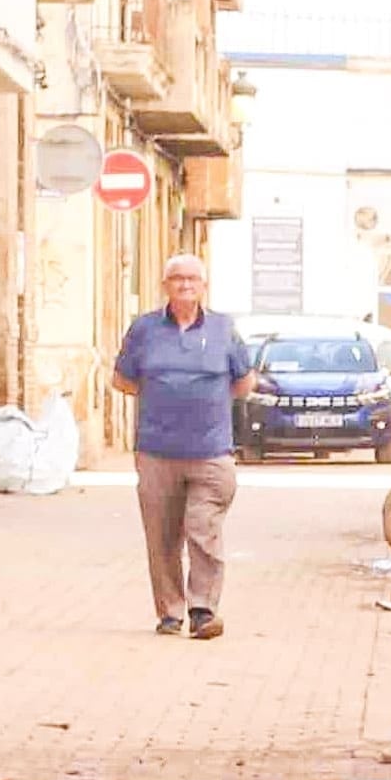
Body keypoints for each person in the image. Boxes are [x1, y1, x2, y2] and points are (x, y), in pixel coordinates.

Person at [111, 253, 257, 640]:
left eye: (193, 279)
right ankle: (170, 613)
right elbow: (123, 380)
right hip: (157, 450)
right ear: (166, 286)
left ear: (204, 287)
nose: (185, 285)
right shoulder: (144, 329)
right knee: (161, 537)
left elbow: (244, 381)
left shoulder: (225, 329)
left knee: (203, 527)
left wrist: (206, 404)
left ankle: (203, 611)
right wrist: (165, 395)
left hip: (211, 452)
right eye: (177, 279)